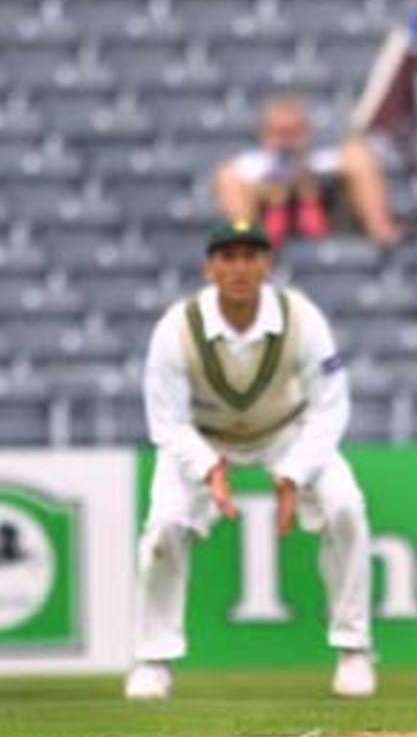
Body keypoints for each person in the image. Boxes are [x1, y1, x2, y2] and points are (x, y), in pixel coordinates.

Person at [125, 220, 376, 701]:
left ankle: (354, 649)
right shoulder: (177, 329)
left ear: (267, 264)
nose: (240, 267)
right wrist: (209, 468)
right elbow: (167, 421)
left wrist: (292, 473)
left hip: (287, 432)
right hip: (202, 437)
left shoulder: (301, 317)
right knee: (164, 524)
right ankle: (152, 660)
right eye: (228, 256)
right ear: (210, 268)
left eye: (250, 256)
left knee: (344, 506)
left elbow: (330, 405)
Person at [215, 95, 401, 248]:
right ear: (266, 133)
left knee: (360, 156)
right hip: (269, 219)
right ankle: (249, 246)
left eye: (293, 132)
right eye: (280, 133)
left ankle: (380, 230)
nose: (286, 141)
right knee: (227, 178)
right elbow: (237, 177)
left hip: (323, 209)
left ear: (306, 132)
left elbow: (350, 160)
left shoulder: (319, 158)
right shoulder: (251, 165)